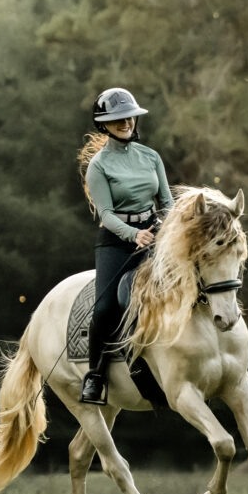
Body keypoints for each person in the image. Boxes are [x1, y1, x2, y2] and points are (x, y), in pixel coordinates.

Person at [76, 86, 175, 406]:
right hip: (116, 242)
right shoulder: (99, 166)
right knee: (106, 308)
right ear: (103, 125)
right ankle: (96, 375)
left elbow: (167, 201)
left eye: (128, 117)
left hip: (155, 234)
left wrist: (168, 229)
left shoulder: (151, 157)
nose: (125, 123)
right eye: (117, 120)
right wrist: (134, 235)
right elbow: (105, 215)